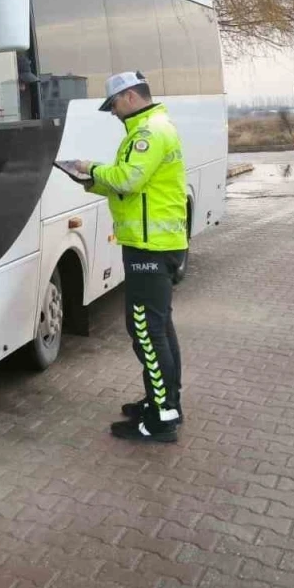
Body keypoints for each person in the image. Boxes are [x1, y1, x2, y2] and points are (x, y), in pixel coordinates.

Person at [76, 71, 189, 444]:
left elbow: (127, 180)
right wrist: (92, 182)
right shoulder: (153, 127)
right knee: (159, 327)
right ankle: (166, 402)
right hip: (157, 244)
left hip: (149, 248)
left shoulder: (148, 133)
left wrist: (90, 168)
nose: (113, 113)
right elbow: (131, 190)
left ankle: (160, 420)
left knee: (145, 330)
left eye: (113, 105)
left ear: (128, 97)